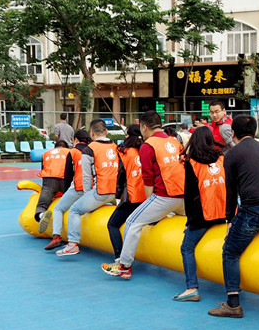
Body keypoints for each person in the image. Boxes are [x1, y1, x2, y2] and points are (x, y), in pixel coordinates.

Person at [209, 115, 259, 318]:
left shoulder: (232, 154)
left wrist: (229, 221)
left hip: (254, 210)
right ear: (254, 132)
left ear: (233, 133)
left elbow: (231, 192)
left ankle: (233, 304)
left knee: (230, 251)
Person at [102, 111, 186, 280]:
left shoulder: (148, 146)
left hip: (164, 197)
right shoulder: (175, 141)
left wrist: (148, 204)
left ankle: (124, 266)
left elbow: (148, 179)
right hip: (184, 198)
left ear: (144, 127)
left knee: (132, 222)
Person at [174, 126, 227, 302]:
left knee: (186, 247)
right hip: (223, 213)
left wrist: (190, 222)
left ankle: (191, 287)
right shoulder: (221, 158)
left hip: (203, 215)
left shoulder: (192, 163)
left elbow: (190, 195)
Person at [56, 120, 118, 257]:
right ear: (106, 131)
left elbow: (86, 177)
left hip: (101, 192)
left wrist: (87, 197)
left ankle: (72, 243)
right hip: (116, 193)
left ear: (92, 133)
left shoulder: (89, 150)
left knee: (74, 210)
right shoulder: (116, 147)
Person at [44, 129, 91, 250]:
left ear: (76, 140)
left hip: (79, 187)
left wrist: (65, 192)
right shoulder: (92, 150)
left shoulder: (73, 152)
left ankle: (56, 236)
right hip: (94, 188)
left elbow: (68, 175)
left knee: (58, 208)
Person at [106, 125, 146, 263]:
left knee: (112, 224)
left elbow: (121, 175)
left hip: (132, 196)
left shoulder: (124, 151)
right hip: (148, 196)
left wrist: (118, 196)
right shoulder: (146, 149)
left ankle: (119, 257)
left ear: (128, 136)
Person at [34, 141, 73, 223]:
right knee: (75, 200)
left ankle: (41, 215)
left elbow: (43, 169)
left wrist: (45, 188)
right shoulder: (70, 152)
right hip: (65, 180)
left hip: (49, 181)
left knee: (42, 205)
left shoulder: (46, 153)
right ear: (66, 147)